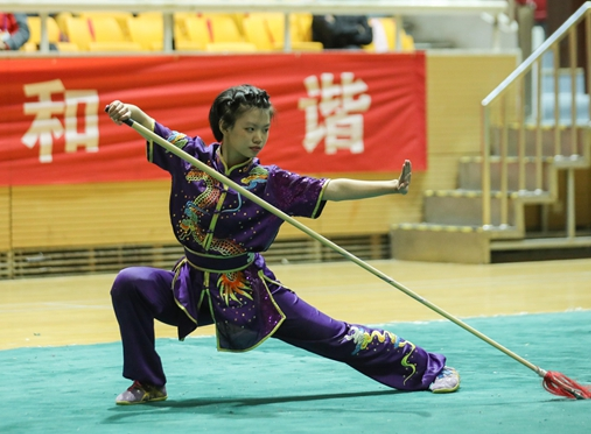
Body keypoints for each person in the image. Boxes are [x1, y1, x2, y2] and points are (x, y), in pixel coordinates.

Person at [105, 84, 460, 405]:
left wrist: (389, 185)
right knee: (130, 283)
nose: (259, 138)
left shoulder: (271, 182)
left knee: (336, 337)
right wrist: (127, 111)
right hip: (192, 286)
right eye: (249, 129)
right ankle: (149, 384)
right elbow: (147, 124)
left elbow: (329, 189)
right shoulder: (191, 157)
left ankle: (427, 367)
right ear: (224, 127)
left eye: (265, 130)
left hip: (248, 289)